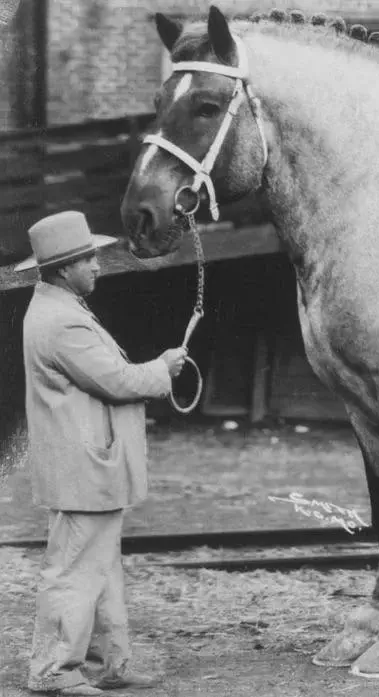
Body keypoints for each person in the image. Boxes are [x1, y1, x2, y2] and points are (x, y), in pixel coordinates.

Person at [16, 211, 187, 696]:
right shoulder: (62, 322)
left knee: (100, 569)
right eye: (88, 258)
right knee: (74, 570)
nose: (97, 265)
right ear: (63, 268)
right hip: (83, 468)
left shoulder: (59, 308)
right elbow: (118, 382)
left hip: (88, 467)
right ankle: (54, 671)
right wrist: (163, 368)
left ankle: (110, 661)